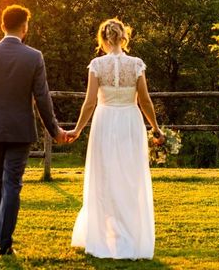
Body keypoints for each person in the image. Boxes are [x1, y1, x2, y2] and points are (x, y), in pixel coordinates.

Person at [0, 4, 67, 256]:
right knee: (12, 183)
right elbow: (42, 98)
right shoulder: (34, 57)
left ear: (3, 26)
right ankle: (4, 239)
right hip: (21, 131)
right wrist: (54, 130)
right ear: (25, 27)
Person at [67, 18, 165, 259]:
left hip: (105, 122)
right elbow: (145, 100)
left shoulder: (97, 65)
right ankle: (129, 236)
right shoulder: (137, 64)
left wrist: (78, 129)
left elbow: (90, 102)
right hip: (130, 123)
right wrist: (155, 128)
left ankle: (105, 236)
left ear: (103, 39)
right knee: (130, 179)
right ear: (124, 37)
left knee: (105, 177)